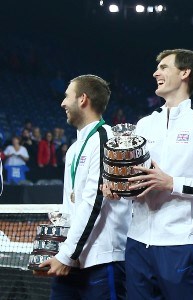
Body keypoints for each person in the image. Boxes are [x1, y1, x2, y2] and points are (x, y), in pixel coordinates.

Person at [103, 49, 193, 300]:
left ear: (185, 73)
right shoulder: (143, 125)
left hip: (180, 242)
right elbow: (134, 178)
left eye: (163, 67)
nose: (156, 72)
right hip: (137, 240)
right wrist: (116, 187)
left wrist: (173, 183)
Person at [37, 74, 130, 299]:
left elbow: (94, 202)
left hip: (101, 258)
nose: (62, 103)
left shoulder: (106, 139)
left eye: (67, 96)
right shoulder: (73, 149)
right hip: (73, 258)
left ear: (82, 99)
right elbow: (75, 202)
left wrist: (67, 255)